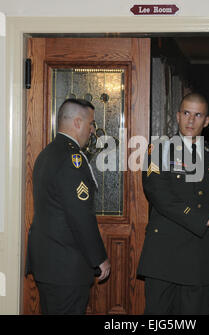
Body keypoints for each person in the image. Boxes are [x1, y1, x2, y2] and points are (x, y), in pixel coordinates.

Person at [137, 93, 209, 315]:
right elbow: (162, 198)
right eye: (186, 113)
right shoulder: (158, 150)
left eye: (198, 115)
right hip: (164, 258)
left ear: (206, 121)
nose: (190, 120)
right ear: (177, 116)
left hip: (201, 258)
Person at [25, 98, 111, 315]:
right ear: (77, 123)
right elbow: (80, 216)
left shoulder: (47, 154)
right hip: (66, 269)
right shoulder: (72, 158)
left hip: (49, 264)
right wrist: (99, 258)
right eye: (91, 124)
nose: (92, 130)